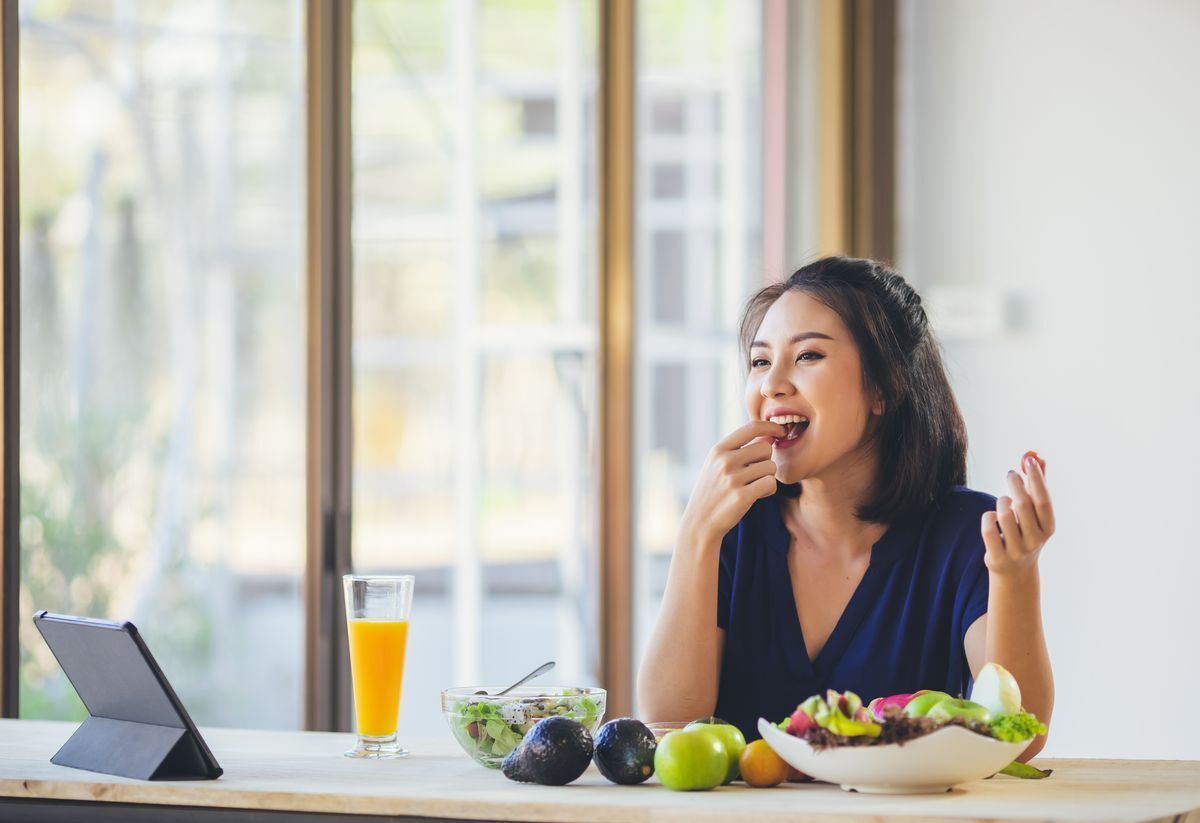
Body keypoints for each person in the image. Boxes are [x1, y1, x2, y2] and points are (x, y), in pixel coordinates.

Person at [637, 256, 1054, 761]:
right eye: (761, 361)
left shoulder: (966, 534)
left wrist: (1015, 573)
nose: (771, 384)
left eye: (808, 356)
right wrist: (695, 535)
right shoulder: (734, 529)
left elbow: (1019, 740)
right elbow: (668, 725)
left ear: (885, 386)